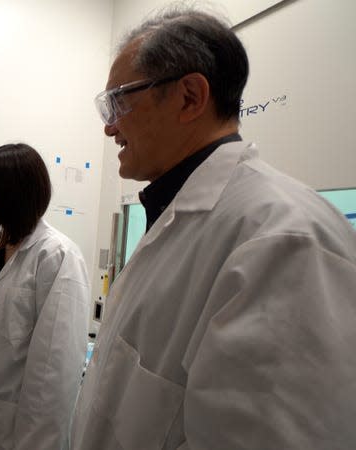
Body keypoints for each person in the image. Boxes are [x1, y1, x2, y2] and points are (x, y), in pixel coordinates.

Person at [71, 7, 356, 450]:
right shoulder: (174, 218)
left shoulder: (283, 240)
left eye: (120, 101)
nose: (110, 128)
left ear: (189, 97)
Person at [0, 143, 91, 450]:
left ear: (9, 193)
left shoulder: (56, 256)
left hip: (24, 430)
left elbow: (55, 367)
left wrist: (39, 441)